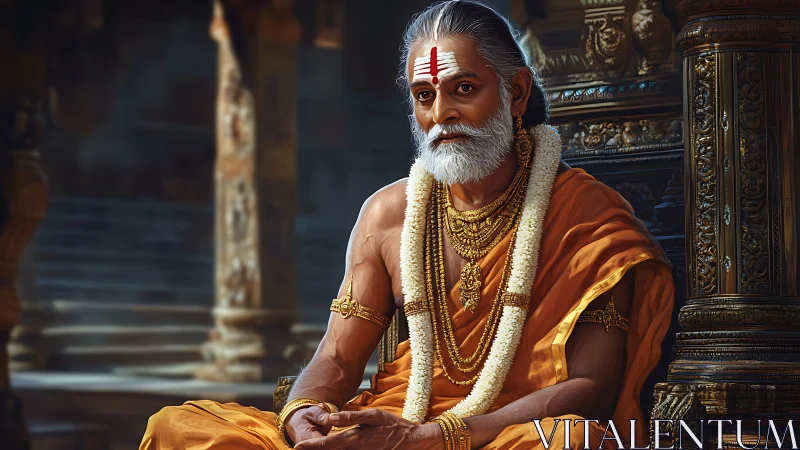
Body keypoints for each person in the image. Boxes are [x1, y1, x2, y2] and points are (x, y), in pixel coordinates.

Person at [140, 1, 674, 449]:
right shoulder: (389, 215)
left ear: (515, 93)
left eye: (463, 89)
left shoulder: (586, 215)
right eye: (425, 96)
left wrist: (437, 437)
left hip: (498, 436)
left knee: (573, 441)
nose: (441, 113)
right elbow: (338, 357)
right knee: (176, 428)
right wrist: (304, 413)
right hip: (386, 426)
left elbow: (594, 385)